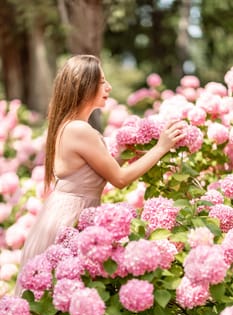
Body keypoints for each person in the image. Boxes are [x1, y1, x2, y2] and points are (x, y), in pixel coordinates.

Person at [14, 54, 185, 296]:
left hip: (64, 212)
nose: (109, 87)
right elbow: (120, 179)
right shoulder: (79, 130)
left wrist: (128, 152)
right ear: (84, 86)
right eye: (102, 82)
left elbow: (97, 172)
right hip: (68, 218)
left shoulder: (70, 126)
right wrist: (161, 147)